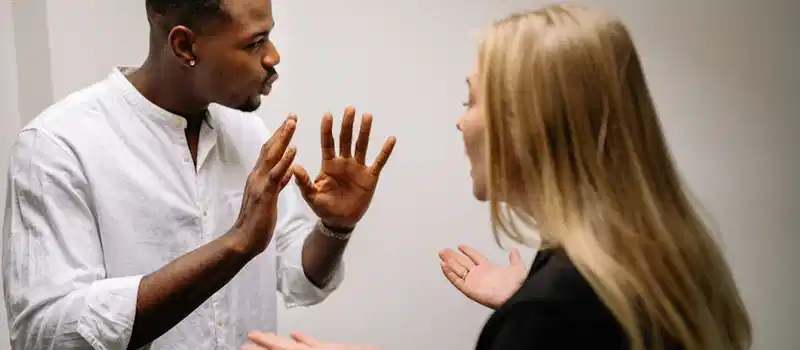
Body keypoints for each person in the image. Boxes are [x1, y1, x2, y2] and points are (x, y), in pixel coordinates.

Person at [245, 4, 753, 350]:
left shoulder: (554, 310)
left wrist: (535, 315)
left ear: (528, 124)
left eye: (471, 99)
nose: (461, 121)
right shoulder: (655, 258)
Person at [2, 0, 396, 349]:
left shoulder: (248, 134)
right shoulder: (58, 145)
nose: (274, 56)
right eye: (254, 42)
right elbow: (46, 334)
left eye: (269, 36)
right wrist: (235, 244)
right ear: (185, 46)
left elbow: (297, 277)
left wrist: (335, 227)